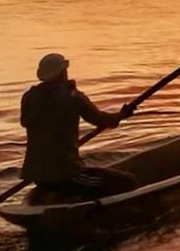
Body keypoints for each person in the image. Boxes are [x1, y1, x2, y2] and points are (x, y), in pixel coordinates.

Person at [19, 53, 136, 200]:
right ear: (63, 72)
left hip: (37, 175)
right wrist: (121, 115)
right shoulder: (72, 97)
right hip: (66, 174)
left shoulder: (29, 97)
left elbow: (26, 122)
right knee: (127, 182)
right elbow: (100, 119)